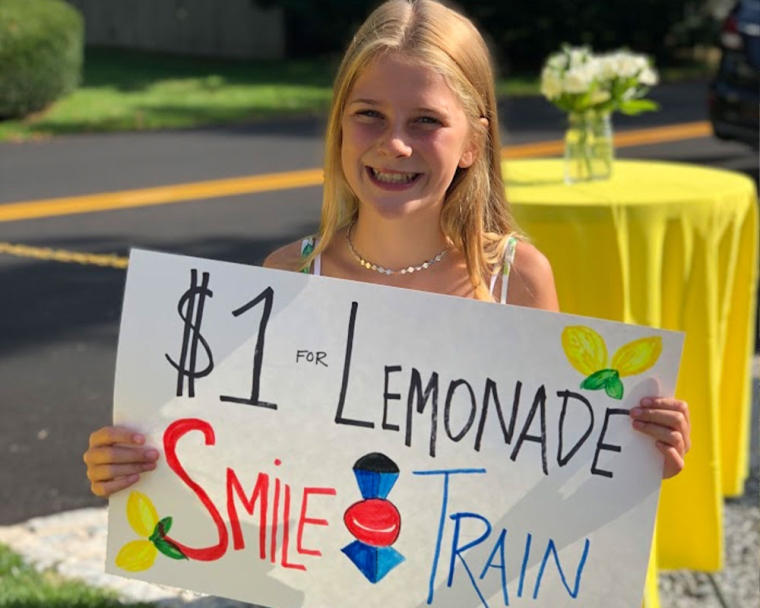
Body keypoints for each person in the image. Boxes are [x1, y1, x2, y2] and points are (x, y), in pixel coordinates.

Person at [84, 0, 690, 501]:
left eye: (426, 121)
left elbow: (557, 461)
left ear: (475, 142)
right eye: (369, 115)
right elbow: (238, 455)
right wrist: (134, 465)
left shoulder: (514, 278)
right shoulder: (288, 275)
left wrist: (637, 459)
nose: (395, 144)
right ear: (340, 128)